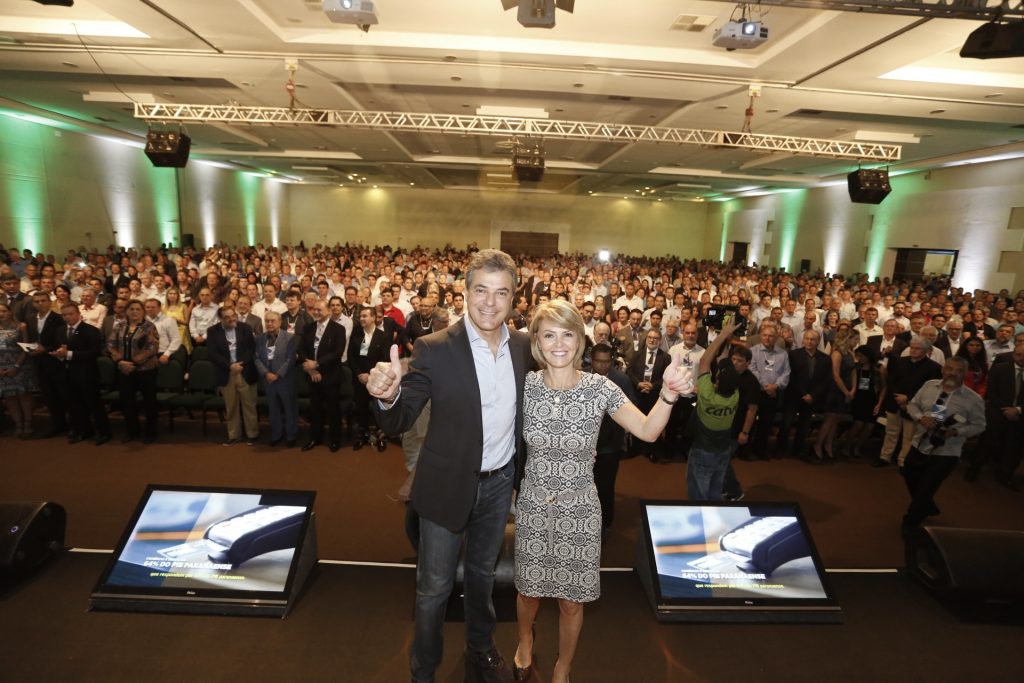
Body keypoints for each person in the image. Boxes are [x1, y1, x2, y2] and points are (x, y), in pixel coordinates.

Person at [366, 249, 531, 683]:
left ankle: (481, 649)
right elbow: (400, 418)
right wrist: (386, 395)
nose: (490, 302)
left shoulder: (524, 347)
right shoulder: (434, 348)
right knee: (434, 589)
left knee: (482, 576)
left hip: (498, 487)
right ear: (465, 292)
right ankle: (423, 671)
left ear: (515, 299)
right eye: (481, 290)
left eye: (502, 293)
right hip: (444, 486)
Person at [513, 300, 687, 683]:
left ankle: (563, 666)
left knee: (571, 601)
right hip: (533, 508)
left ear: (580, 340)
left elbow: (646, 430)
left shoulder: (600, 388)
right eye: (549, 335)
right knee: (528, 593)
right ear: (538, 343)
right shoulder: (523, 386)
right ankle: (525, 640)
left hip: (580, 510)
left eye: (568, 334)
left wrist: (668, 395)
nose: (559, 344)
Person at [901, 356, 986, 536]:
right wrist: (920, 417)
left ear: (965, 374)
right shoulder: (929, 386)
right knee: (910, 476)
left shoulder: (973, 399)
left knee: (926, 487)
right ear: (943, 369)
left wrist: (956, 432)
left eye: (958, 371)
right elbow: (913, 405)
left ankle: (911, 522)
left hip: (947, 451)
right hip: (919, 443)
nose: (953, 373)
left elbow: (980, 425)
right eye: (949, 368)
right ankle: (927, 505)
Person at [685, 322, 741, 500]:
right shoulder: (735, 395)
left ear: (717, 380)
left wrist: (723, 334)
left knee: (698, 493)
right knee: (715, 490)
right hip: (723, 450)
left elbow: (704, 360)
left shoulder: (708, 395)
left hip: (703, 451)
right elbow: (719, 361)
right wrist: (727, 339)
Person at [590, 341, 637, 537]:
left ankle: (606, 523)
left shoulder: (622, 380)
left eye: (606, 362)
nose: (602, 366)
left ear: (612, 361)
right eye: (599, 362)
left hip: (611, 445)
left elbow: (633, 407)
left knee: (606, 486)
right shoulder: (581, 377)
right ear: (591, 361)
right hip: (587, 444)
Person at [874, 336, 942, 468]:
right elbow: (891, 381)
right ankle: (885, 457)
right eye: (912, 348)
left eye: (918, 348)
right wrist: (898, 397)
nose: (914, 350)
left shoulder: (934, 367)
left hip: (915, 406)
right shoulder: (900, 361)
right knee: (891, 432)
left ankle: (903, 461)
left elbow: (929, 389)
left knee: (909, 436)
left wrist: (908, 398)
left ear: (927, 351)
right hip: (895, 401)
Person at [51, 302, 111, 445]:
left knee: (93, 404)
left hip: (86, 373)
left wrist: (69, 354)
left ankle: (103, 432)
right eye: (64, 315)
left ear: (79, 314)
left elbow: (94, 352)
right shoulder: (60, 330)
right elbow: (58, 347)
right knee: (74, 404)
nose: (67, 317)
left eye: (71, 314)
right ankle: (84, 430)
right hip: (67, 373)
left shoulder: (90, 330)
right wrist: (58, 354)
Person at [970, 343, 1023, 489]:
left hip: (1019, 415)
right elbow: (991, 392)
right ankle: (975, 468)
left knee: (1014, 447)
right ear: (1013, 355)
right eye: (1019, 355)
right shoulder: (1000, 369)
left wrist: (1017, 410)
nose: (1022, 358)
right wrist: (1006, 410)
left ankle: (1005, 474)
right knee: (986, 442)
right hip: (997, 411)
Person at [108, 299, 160, 443]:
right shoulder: (119, 326)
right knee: (127, 402)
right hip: (124, 370)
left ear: (143, 312)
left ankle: (150, 433)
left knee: (149, 403)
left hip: (146, 370)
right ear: (126, 311)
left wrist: (133, 362)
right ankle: (132, 432)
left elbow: (152, 348)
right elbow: (111, 345)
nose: (134, 312)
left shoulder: (149, 326)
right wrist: (120, 362)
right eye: (131, 309)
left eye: (138, 309)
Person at [298, 299, 347, 453]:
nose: (317, 312)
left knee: (333, 410)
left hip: (331, 376)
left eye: (320, 310)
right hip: (313, 376)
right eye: (314, 310)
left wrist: (317, 364)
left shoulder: (338, 329)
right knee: (315, 409)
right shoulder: (308, 328)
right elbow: (302, 350)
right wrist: (311, 370)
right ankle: (315, 438)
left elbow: (337, 353)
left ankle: (334, 439)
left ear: (328, 311)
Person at [207, 307, 259, 446]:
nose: (232, 319)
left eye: (233, 315)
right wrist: (230, 366)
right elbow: (212, 354)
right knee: (231, 407)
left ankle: (252, 434)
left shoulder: (245, 328)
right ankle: (234, 435)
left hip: (245, 371)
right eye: (227, 317)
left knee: (249, 405)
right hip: (227, 373)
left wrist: (240, 364)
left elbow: (251, 349)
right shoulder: (212, 331)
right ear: (221, 319)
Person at [779, 329, 831, 460]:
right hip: (794, 395)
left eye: (812, 339)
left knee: (804, 426)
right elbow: (790, 376)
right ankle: (781, 449)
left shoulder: (825, 358)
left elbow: (826, 380)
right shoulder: (793, 355)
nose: (809, 341)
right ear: (803, 340)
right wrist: (803, 394)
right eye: (807, 338)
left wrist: (812, 395)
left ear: (818, 341)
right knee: (786, 424)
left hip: (812, 399)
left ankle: (798, 450)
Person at [348, 305, 391, 451]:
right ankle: (363, 434)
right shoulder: (356, 334)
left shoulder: (383, 336)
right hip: (359, 379)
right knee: (361, 408)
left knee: (379, 408)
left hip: (377, 380)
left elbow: (385, 359)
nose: (361, 319)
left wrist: (370, 374)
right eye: (360, 316)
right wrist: (360, 374)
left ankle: (380, 435)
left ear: (373, 318)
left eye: (365, 316)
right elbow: (351, 357)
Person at [254, 310, 299, 448]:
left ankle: (291, 436)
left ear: (280, 322)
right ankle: (276, 435)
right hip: (268, 380)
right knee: (273, 408)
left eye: (273, 321)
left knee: (289, 408)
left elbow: (291, 359)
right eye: (267, 321)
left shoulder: (290, 337)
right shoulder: (260, 338)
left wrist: (278, 374)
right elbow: (255, 357)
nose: (269, 323)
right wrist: (266, 373)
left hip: (284, 379)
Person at [26, 291, 67, 437]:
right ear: (33, 304)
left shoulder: (58, 319)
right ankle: (57, 424)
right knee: (48, 395)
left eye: (43, 300)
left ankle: (72, 424)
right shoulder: (30, 319)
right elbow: (30, 338)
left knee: (62, 394)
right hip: (39, 362)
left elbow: (61, 340)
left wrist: (45, 349)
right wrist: (29, 348)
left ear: (50, 302)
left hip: (55, 360)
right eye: (36, 301)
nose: (40, 303)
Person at [813, 327, 856, 461]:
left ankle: (828, 444)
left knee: (836, 420)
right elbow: (835, 375)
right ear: (847, 339)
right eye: (855, 339)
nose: (856, 342)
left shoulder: (850, 352)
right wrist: (846, 392)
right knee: (829, 419)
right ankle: (818, 445)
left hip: (846, 389)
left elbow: (853, 372)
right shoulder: (836, 353)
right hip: (835, 390)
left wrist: (853, 390)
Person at [842, 345, 884, 459]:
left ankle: (857, 447)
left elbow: (884, 387)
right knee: (858, 424)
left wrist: (879, 403)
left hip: (872, 399)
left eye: (862, 356)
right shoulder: (856, 368)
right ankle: (846, 447)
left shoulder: (879, 368)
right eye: (858, 356)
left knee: (870, 426)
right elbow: (853, 385)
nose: (860, 358)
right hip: (859, 399)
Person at [0, 302, 34, 437]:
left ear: (10, 312)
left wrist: (16, 366)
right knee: (9, 397)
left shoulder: (21, 326)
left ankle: (28, 423)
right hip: (1, 368)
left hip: (19, 365)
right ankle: (18, 424)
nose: (1, 314)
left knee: (23, 396)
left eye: (3, 311)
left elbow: (25, 348)